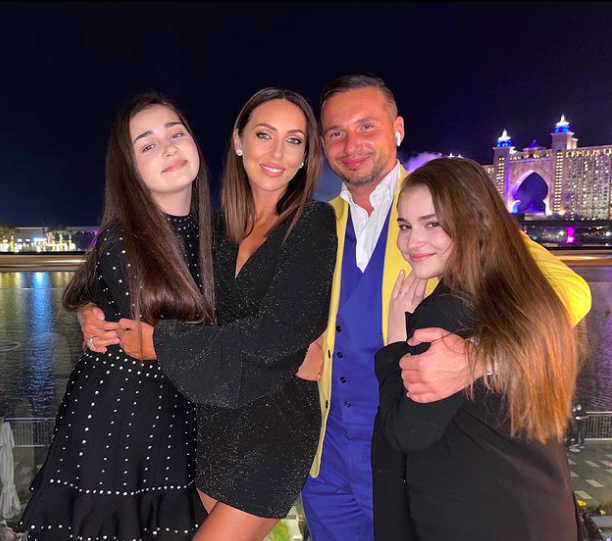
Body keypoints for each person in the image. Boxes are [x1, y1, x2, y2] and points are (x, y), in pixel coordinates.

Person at [300, 74, 592, 541]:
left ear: (397, 129)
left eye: (366, 126)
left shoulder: (443, 201)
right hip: (329, 461)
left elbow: (571, 290)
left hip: (409, 459)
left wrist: (482, 355)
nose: (350, 144)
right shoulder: (319, 222)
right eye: (336, 132)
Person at [82, 88, 337, 541]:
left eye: (294, 140)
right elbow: (147, 287)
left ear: (306, 156)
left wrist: (160, 344)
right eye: (264, 135)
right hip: (211, 432)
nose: (277, 152)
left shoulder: (312, 223)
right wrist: (88, 310)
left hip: (274, 435)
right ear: (239, 141)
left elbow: (275, 334)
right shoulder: (213, 230)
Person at [19, 92, 214, 539]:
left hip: (167, 427)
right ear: (130, 169)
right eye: (148, 145)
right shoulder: (125, 240)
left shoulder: (213, 234)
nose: (168, 148)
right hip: (116, 431)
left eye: (176, 134)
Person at [375, 157, 581, 540]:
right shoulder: (522, 294)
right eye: (405, 226)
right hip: (541, 509)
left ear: (475, 222)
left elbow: (405, 432)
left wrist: (394, 345)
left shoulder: (444, 312)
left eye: (432, 224)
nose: (411, 242)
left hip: (478, 519)